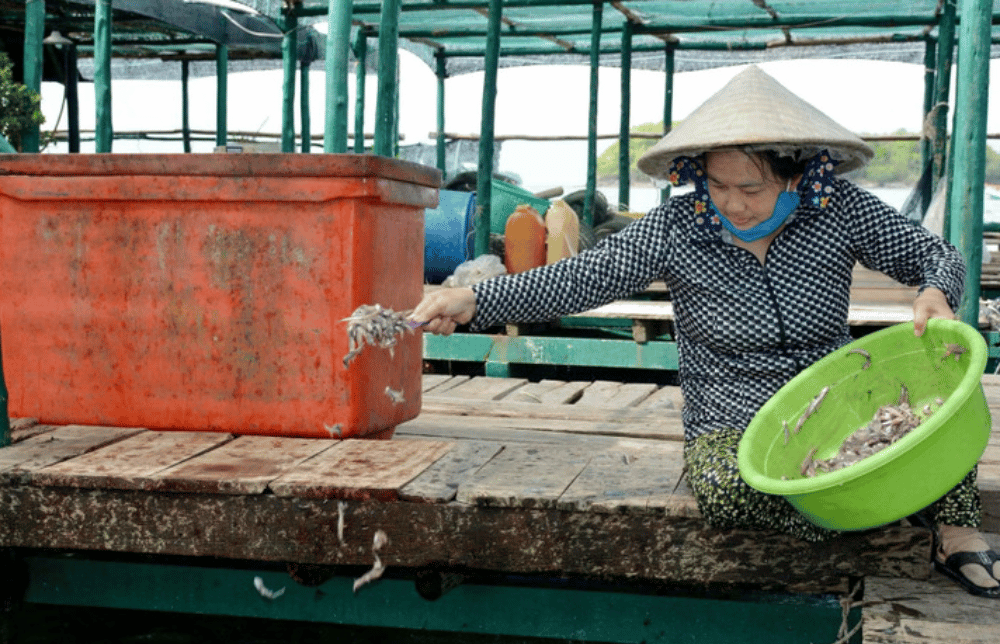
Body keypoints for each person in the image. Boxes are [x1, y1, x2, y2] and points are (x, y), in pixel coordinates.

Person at [411, 65, 1000, 597]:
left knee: (942, 404)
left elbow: (938, 255)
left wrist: (932, 290)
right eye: (718, 186)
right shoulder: (676, 225)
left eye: (752, 189)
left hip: (837, 403)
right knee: (724, 491)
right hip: (731, 419)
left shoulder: (839, 207)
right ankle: (876, 509)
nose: (734, 204)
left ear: (799, 176)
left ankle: (952, 527)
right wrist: (472, 299)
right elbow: (581, 278)